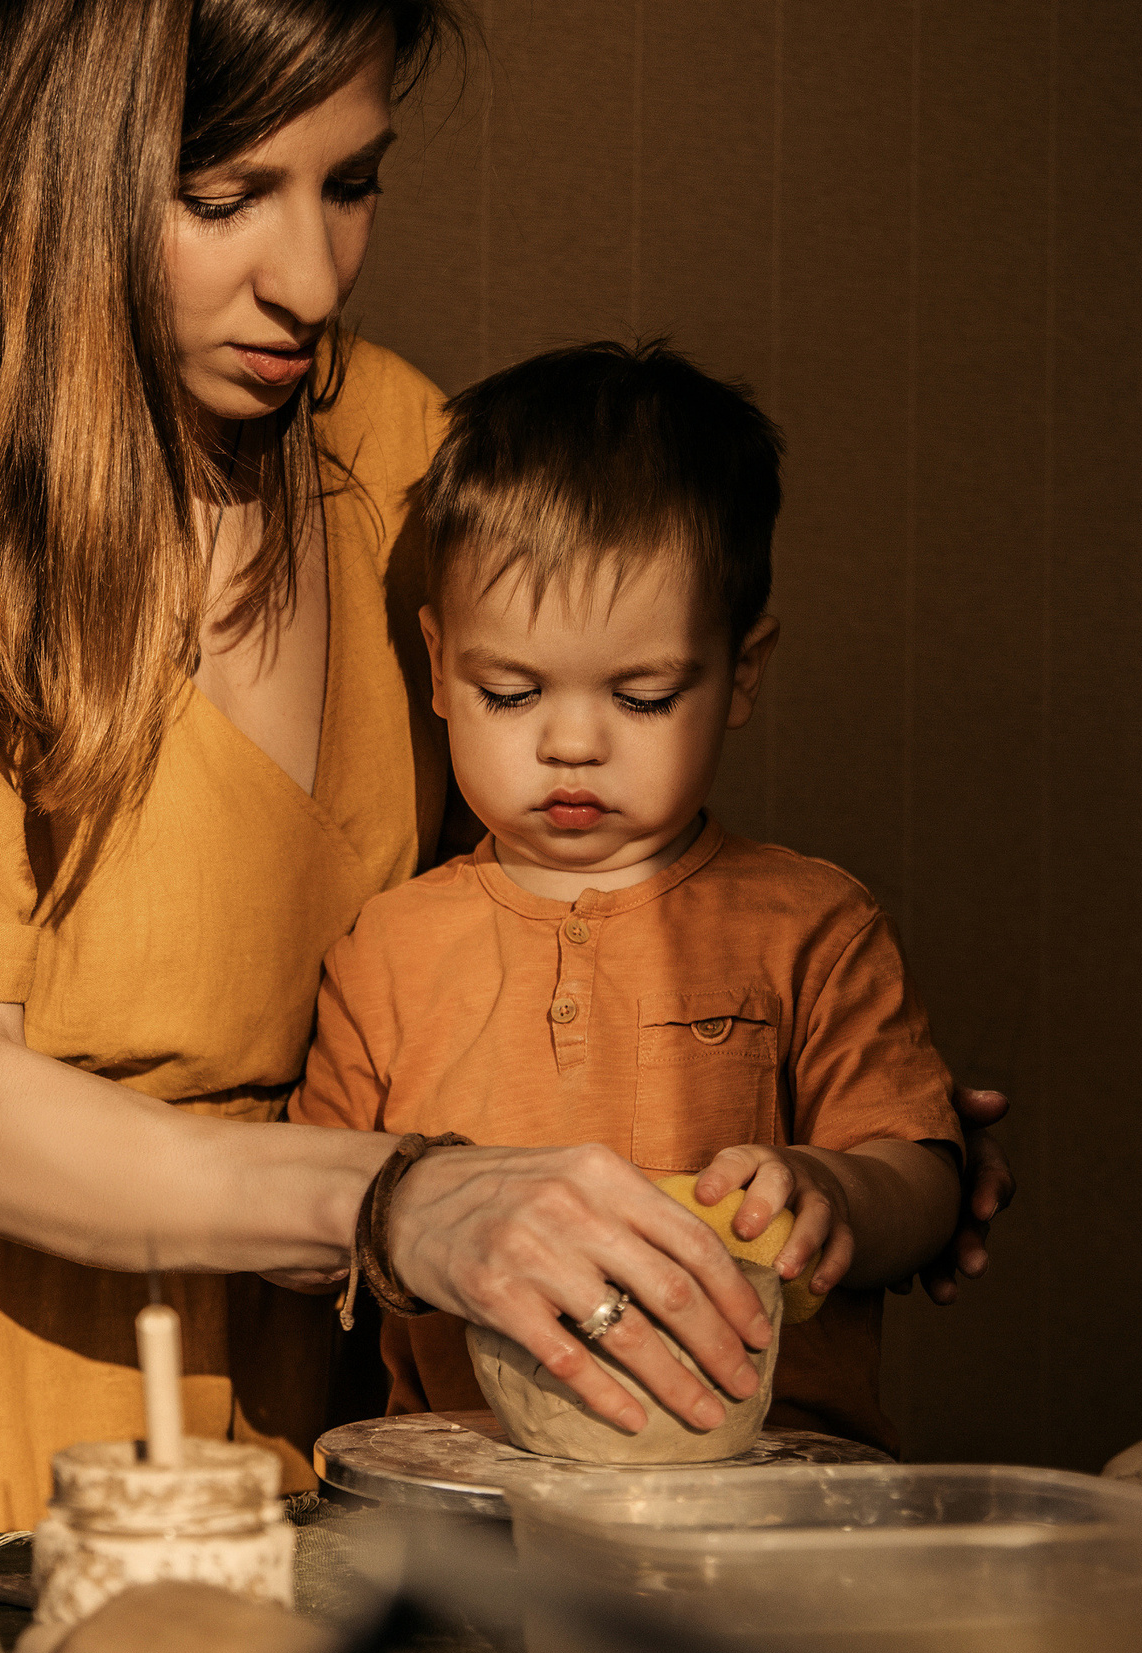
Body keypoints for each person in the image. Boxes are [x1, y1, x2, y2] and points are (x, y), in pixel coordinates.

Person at [0, 0, 1011, 1537]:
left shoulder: (396, 446)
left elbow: (542, 885)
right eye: (225, 197)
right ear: (58, 173)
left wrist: (862, 1152)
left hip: (381, 1401)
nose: (311, 279)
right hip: (21, 1379)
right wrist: (400, 1201)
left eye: (351, 185)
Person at [292, 340, 960, 1452]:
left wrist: (834, 1192)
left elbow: (928, 1184)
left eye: (641, 697)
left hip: (769, 1480)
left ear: (741, 671)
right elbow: (317, 1230)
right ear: (438, 665)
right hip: (473, 1472)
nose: (571, 743)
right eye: (510, 691)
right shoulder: (390, 945)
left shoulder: (811, 925)